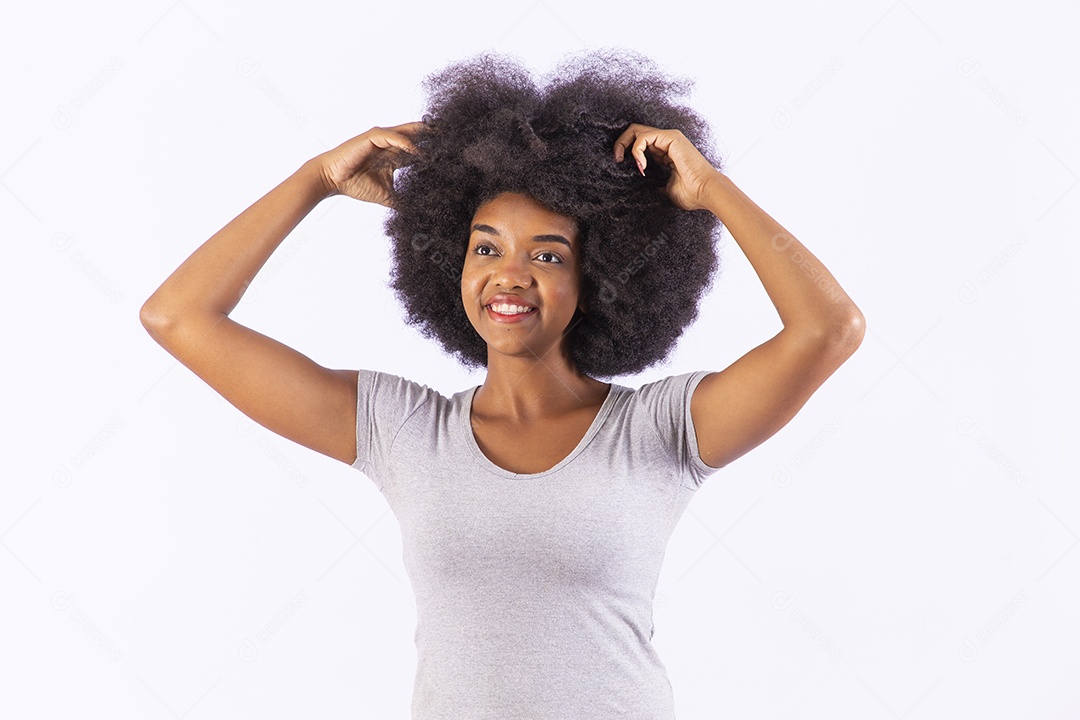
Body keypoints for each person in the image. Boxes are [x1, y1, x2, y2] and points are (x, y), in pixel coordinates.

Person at [140, 49, 864, 719]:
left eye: (547, 256)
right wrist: (316, 180)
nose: (509, 274)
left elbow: (829, 329)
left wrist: (711, 190)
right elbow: (178, 317)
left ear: (597, 276)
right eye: (486, 247)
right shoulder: (401, 430)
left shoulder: (662, 429)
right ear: (453, 263)